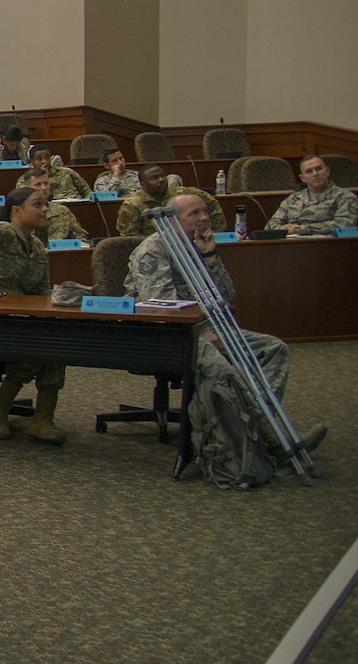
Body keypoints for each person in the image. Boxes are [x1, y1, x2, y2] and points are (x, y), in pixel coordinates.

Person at [125, 192, 327, 469]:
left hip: (206, 327)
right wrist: (200, 330)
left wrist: (209, 256)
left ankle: (251, 430)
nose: (204, 218)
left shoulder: (198, 245)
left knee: (273, 349)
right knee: (223, 369)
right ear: (172, 222)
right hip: (168, 334)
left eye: (204, 211)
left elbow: (226, 293)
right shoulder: (154, 249)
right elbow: (162, 306)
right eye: (194, 214)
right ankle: (271, 439)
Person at [0, 186, 64, 444]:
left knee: (56, 336)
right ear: (17, 211)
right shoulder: (3, 231)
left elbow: (41, 290)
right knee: (38, 342)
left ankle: (41, 418)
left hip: (14, 318)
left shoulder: (37, 246)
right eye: (38, 205)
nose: (45, 210)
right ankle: (0, 403)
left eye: (45, 205)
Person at [117, 164, 220, 238]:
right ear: (143, 184)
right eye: (155, 178)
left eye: (163, 175)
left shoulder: (183, 193)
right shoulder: (132, 204)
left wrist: (215, 232)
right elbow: (129, 238)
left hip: (189, 243)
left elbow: (212, 203)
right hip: (153, 248)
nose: (161, 180)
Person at [269, 155, 358, 234]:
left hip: (325, 245)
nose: (315, 174)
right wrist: (282, 229)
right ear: (302, 178)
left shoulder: (345, 197)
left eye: (318, 169)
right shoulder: (293, 199)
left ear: (327, 171)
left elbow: (343, 225)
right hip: (292, 245)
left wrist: (302, 229)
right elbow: (270, 224)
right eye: (309, 171)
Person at [17, 169, 87, 242]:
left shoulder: (62, 211)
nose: (44, 188)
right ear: (26, 188)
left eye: (46, 183)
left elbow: (80, 236)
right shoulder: (20, 212)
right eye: (38, 184)